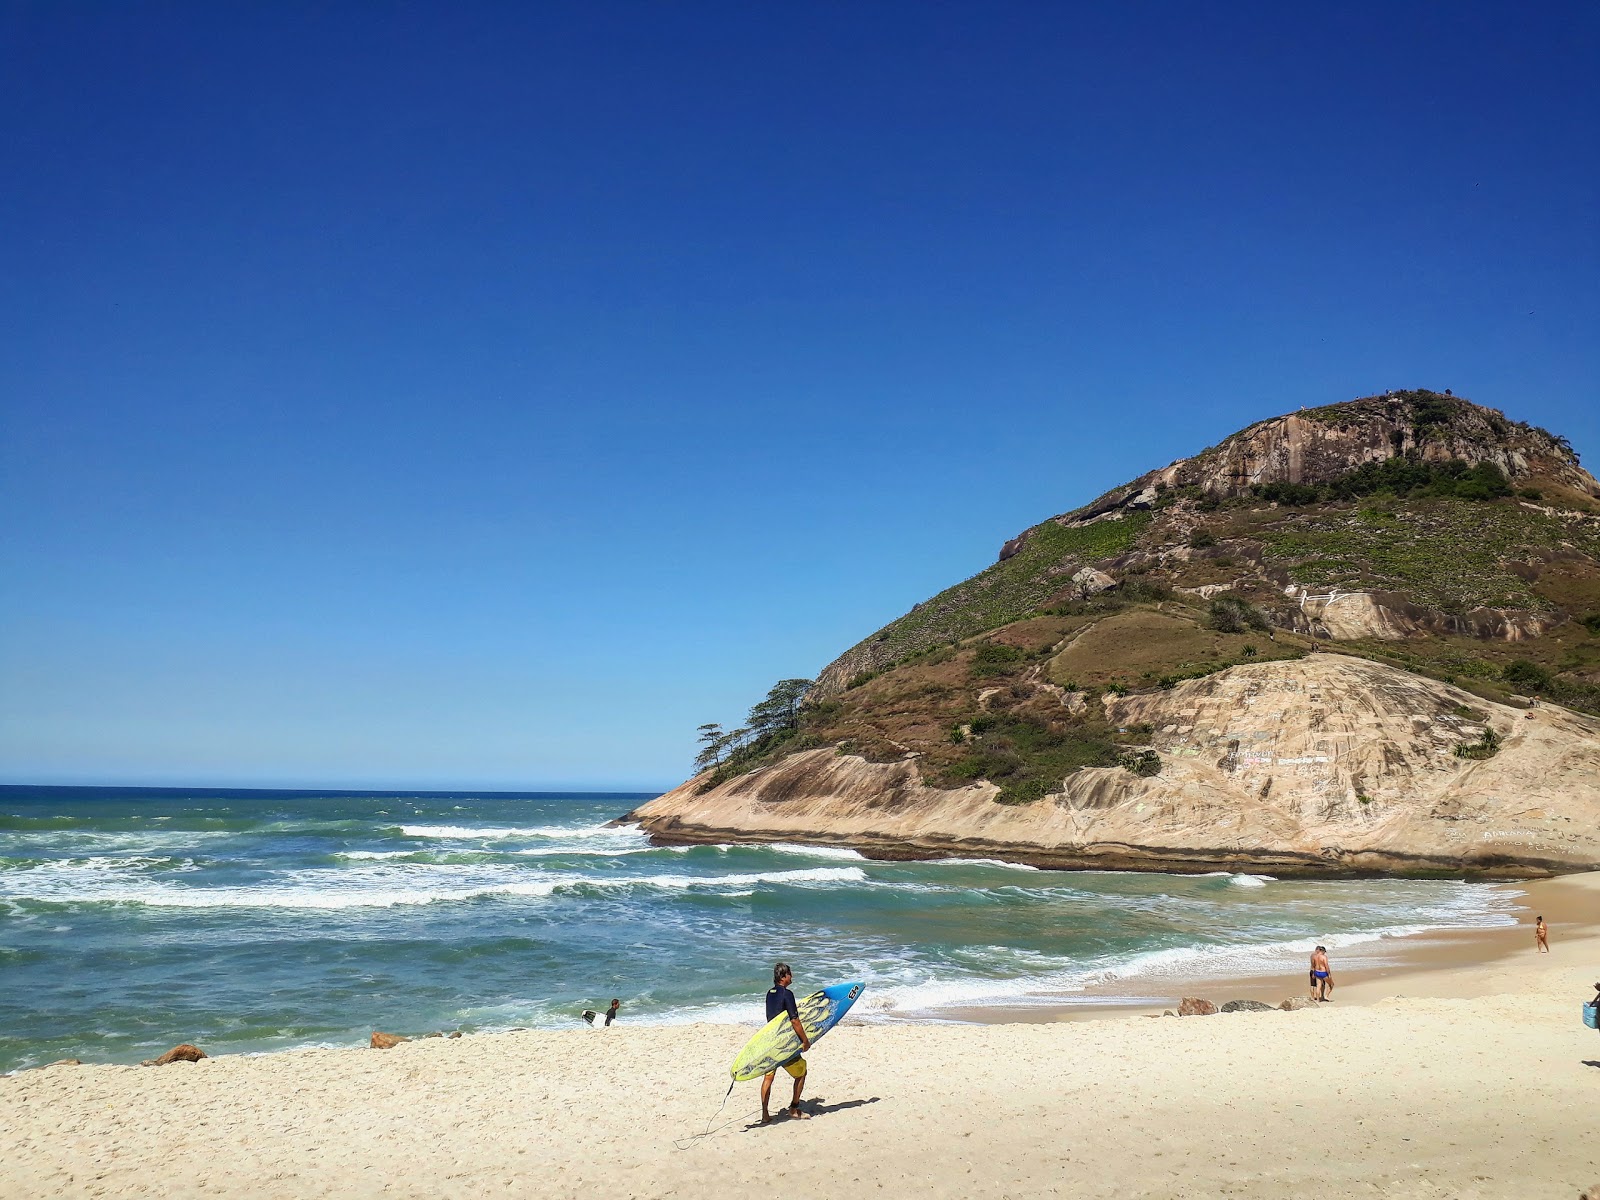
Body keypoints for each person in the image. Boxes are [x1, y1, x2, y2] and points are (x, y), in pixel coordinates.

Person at [761, 961, 811, 1124]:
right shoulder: (786, 994)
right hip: (783, 1044)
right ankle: (794, 1109)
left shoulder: (770, 993)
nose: (792, 976)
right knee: (801, 1072)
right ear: (783, 976)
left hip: (770, 1041)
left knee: (768, 1078)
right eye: (790, 973)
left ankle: (765, 1115)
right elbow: (794, 1020)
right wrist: (805, 1040)